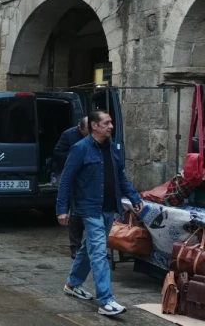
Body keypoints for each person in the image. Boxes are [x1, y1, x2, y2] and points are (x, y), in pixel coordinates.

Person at [56, 110, 143, 317]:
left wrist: (134, 197)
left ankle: (72, 283)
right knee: (99, 253)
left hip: (108, 207)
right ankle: (105, 301)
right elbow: (66, 180)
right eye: (107, 123)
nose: (111, 126)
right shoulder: (80, 149)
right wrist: (61, 209)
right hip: (89, 208)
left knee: (89, 248)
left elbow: (120, 177)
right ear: (94, 126)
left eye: (111, 122)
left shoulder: (111, 148)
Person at [53, 117, 90, 258]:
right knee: (75, 216)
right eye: (86, 132)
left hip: (89, 178)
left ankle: (95, 248)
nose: (88, 135)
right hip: (75, 175)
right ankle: (75, 246)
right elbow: (57, 153)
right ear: (79, 128)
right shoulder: (69, 135)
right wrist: (75, 156)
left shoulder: (98, 137)